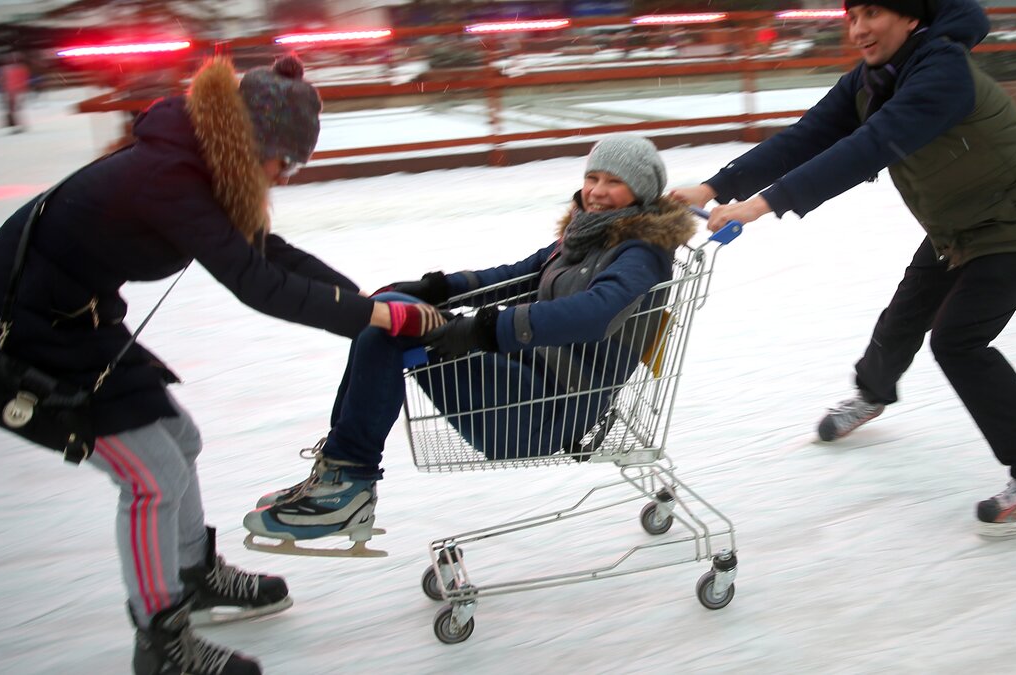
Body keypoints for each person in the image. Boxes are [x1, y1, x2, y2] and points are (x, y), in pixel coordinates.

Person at [0, 55, 444, 675]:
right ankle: (162, 641)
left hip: (75, 325)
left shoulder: (198, 166)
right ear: (253, 142)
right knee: (150, 479)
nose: (282, 179)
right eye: (284, 162)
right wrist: (376, 320)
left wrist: (364, 304)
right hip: (11, 345)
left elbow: (267, 252)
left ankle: (191, 575)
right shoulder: (170, 176)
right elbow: (256, 283)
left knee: (179, 440)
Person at [669, 0, 1016, 539]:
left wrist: (761, 205)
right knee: (907, 314)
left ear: (911, 17)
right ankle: (873, 393)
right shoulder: (870, 78)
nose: (858, 29)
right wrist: (716, 187)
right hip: (958, 225)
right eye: (852, 15)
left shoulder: (942, 71)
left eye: (873, 14)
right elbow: (807, 136)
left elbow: (869, 146)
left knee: (958, 340)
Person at [243, 134, 696, 551]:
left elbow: (595, 314)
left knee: (392, 325)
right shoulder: (584, 237)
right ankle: (340, 473)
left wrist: (480, 329)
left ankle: (345, 484)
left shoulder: (640, 253)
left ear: (640, 191)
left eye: (614, 182)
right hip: (526, 385)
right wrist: (436, 288)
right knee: (392, 314)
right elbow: (515, 275)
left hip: (547, 410)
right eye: (592, 177)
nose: (596, 190)